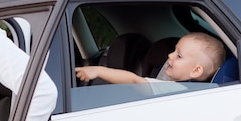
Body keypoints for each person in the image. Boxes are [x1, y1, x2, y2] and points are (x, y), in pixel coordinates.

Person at [75, 32, 226, 84]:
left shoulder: (175, 89)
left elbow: (134, 80)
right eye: (174, 50)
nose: (169, 55)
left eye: (178, 55)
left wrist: (98, 71)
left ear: (195, 71)